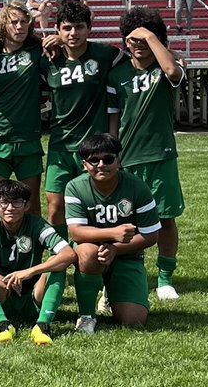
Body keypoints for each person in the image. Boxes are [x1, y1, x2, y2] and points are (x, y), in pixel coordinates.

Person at [108, 7, 186, 301]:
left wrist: (152, 37)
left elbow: (172, 72)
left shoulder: (168, 64)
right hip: (127, 158)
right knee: (123, 223)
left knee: (165, 218)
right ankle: (121, 275)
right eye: (133, 39)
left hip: (160, 155)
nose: (139, 44)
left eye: (145, 39)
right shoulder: (117, 75)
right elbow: (113, 118)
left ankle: (165, 278)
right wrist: (113, 154)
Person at [0, 179, 76, 345]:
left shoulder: (37, 225)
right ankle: (2, 324)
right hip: (2, 295)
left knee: (56, 262)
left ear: (26, 205)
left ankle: (42, 325)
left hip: (32, 297)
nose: (10, 208)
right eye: (4, 203)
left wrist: (27, 273)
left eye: (16, 202)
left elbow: (68, 254)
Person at [40, 0, 125, 236]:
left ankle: (87, 259)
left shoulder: (106, 55)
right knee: (56, 208)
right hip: (60, 145)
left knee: (92, 207)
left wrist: (174, 54)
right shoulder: (47, 60)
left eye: (79, 27)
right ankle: (59, 263)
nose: (73, 33)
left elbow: (140, 57)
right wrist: (44, 42)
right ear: (58, 30)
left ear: (89, 28)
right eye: (66, 28)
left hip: (93, 148)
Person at [65, 134, 162, 332]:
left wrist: (116, 249)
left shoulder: (138, 188)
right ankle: (86, 316)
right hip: (93, 252)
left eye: (108, 159)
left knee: (133, 320)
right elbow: (76, 232)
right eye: (94, 160)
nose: (101, 165)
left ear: (119, 160)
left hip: (127, 257)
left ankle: (112, 293)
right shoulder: (75, 187)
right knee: (87, 252)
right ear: (85, 164)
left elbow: (151, 235)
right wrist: (113, 233)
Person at [0, 1, 45, 215]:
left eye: (23, 22)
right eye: (14, 22)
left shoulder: (38, 50)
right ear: (3, 25)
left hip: (28, 138)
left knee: (30, 205)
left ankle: (32, 248)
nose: (19, 27)